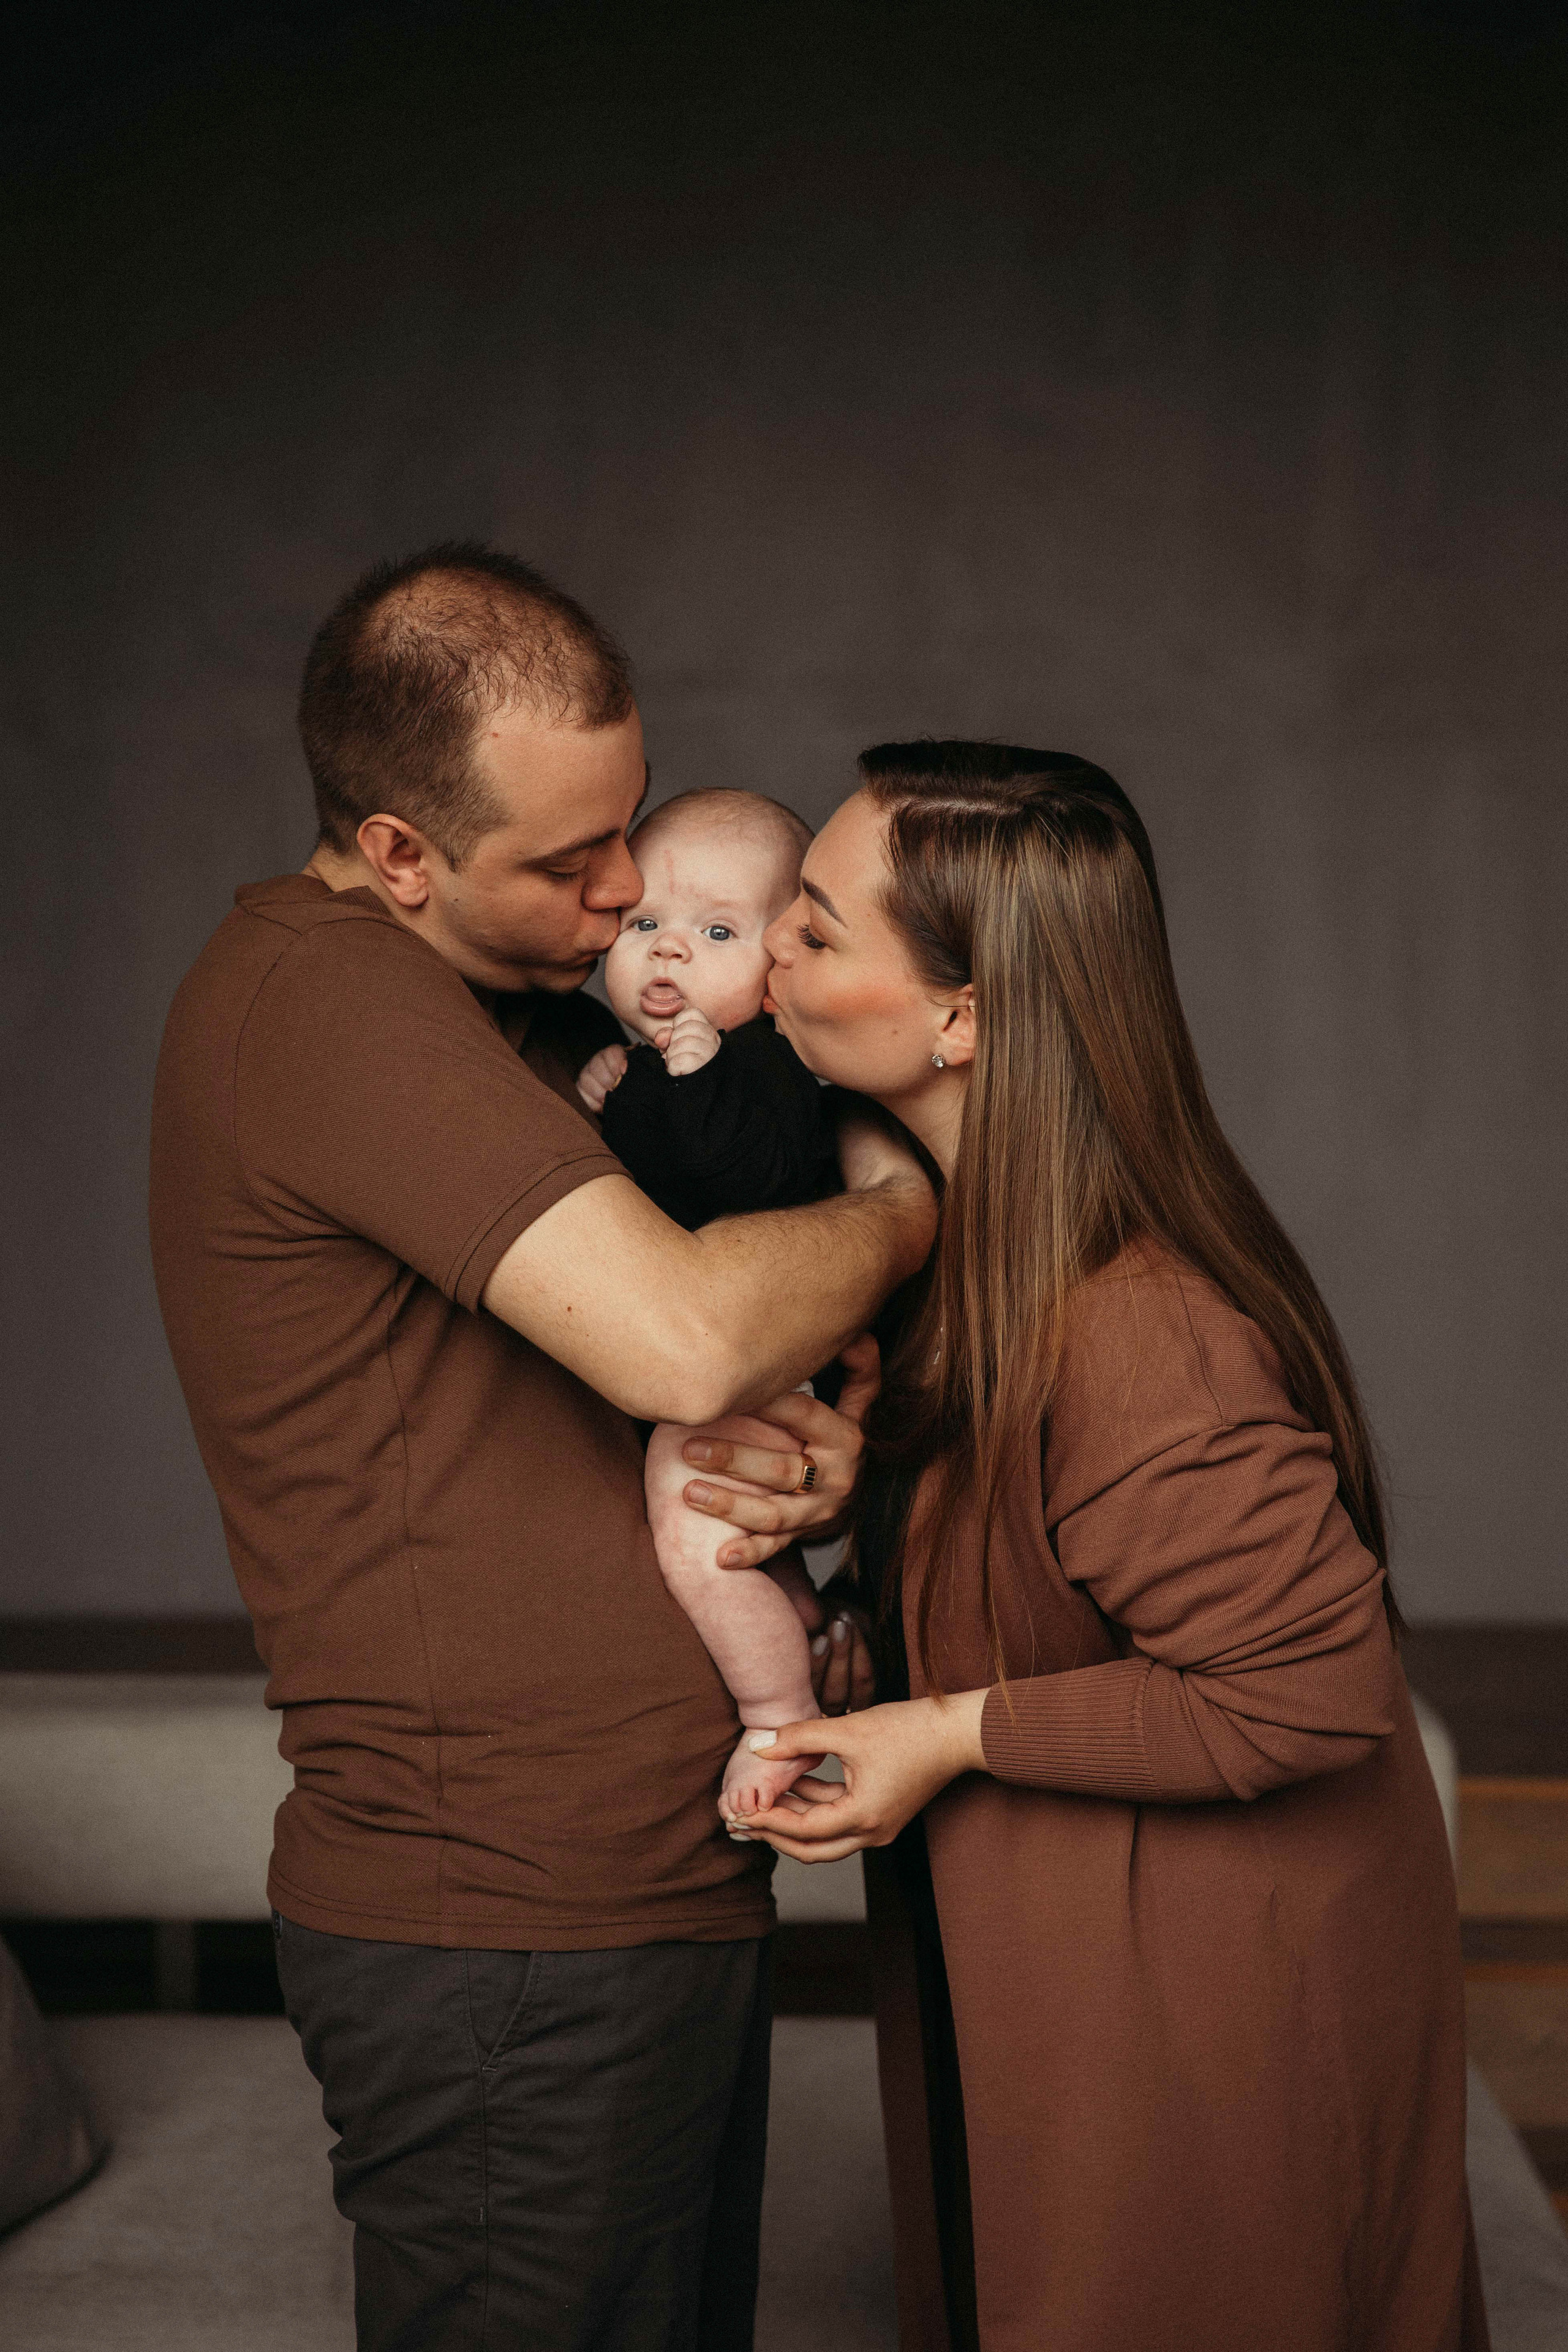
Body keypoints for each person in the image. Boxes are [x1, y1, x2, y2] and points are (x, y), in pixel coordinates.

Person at [147, 546, 935, 2352]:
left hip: (639, 1890)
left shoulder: (529, 1012)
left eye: (632, 829)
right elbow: (689, 1334)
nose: (625, 890)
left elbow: (711, 1308)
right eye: (568, 863)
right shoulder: (333, 1003)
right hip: (505, 1924)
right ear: (402, 849)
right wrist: (908, 1218)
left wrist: (828, 1443)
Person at [729, 742, 1487, 2352]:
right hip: (1096, 1965)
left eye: (809, 924)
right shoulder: (972, 1259)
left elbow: (1309, 1696)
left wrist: (944, 1732)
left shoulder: (1137, 1333)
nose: (761, 952)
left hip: (1220, 1995)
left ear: (966, 1018)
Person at [579, 788, 841, 1820]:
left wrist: (688, 1087)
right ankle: (807, 1614)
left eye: (716, 932)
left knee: (692, 1525)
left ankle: (779, 1713)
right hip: (700, 1354)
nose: (668, 954)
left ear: (779, 974)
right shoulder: (668, 1060)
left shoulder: (774, 1068)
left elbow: (764, 1183)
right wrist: (627, 1087)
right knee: (724, 1523)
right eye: (644, 924)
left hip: (753, 1355)